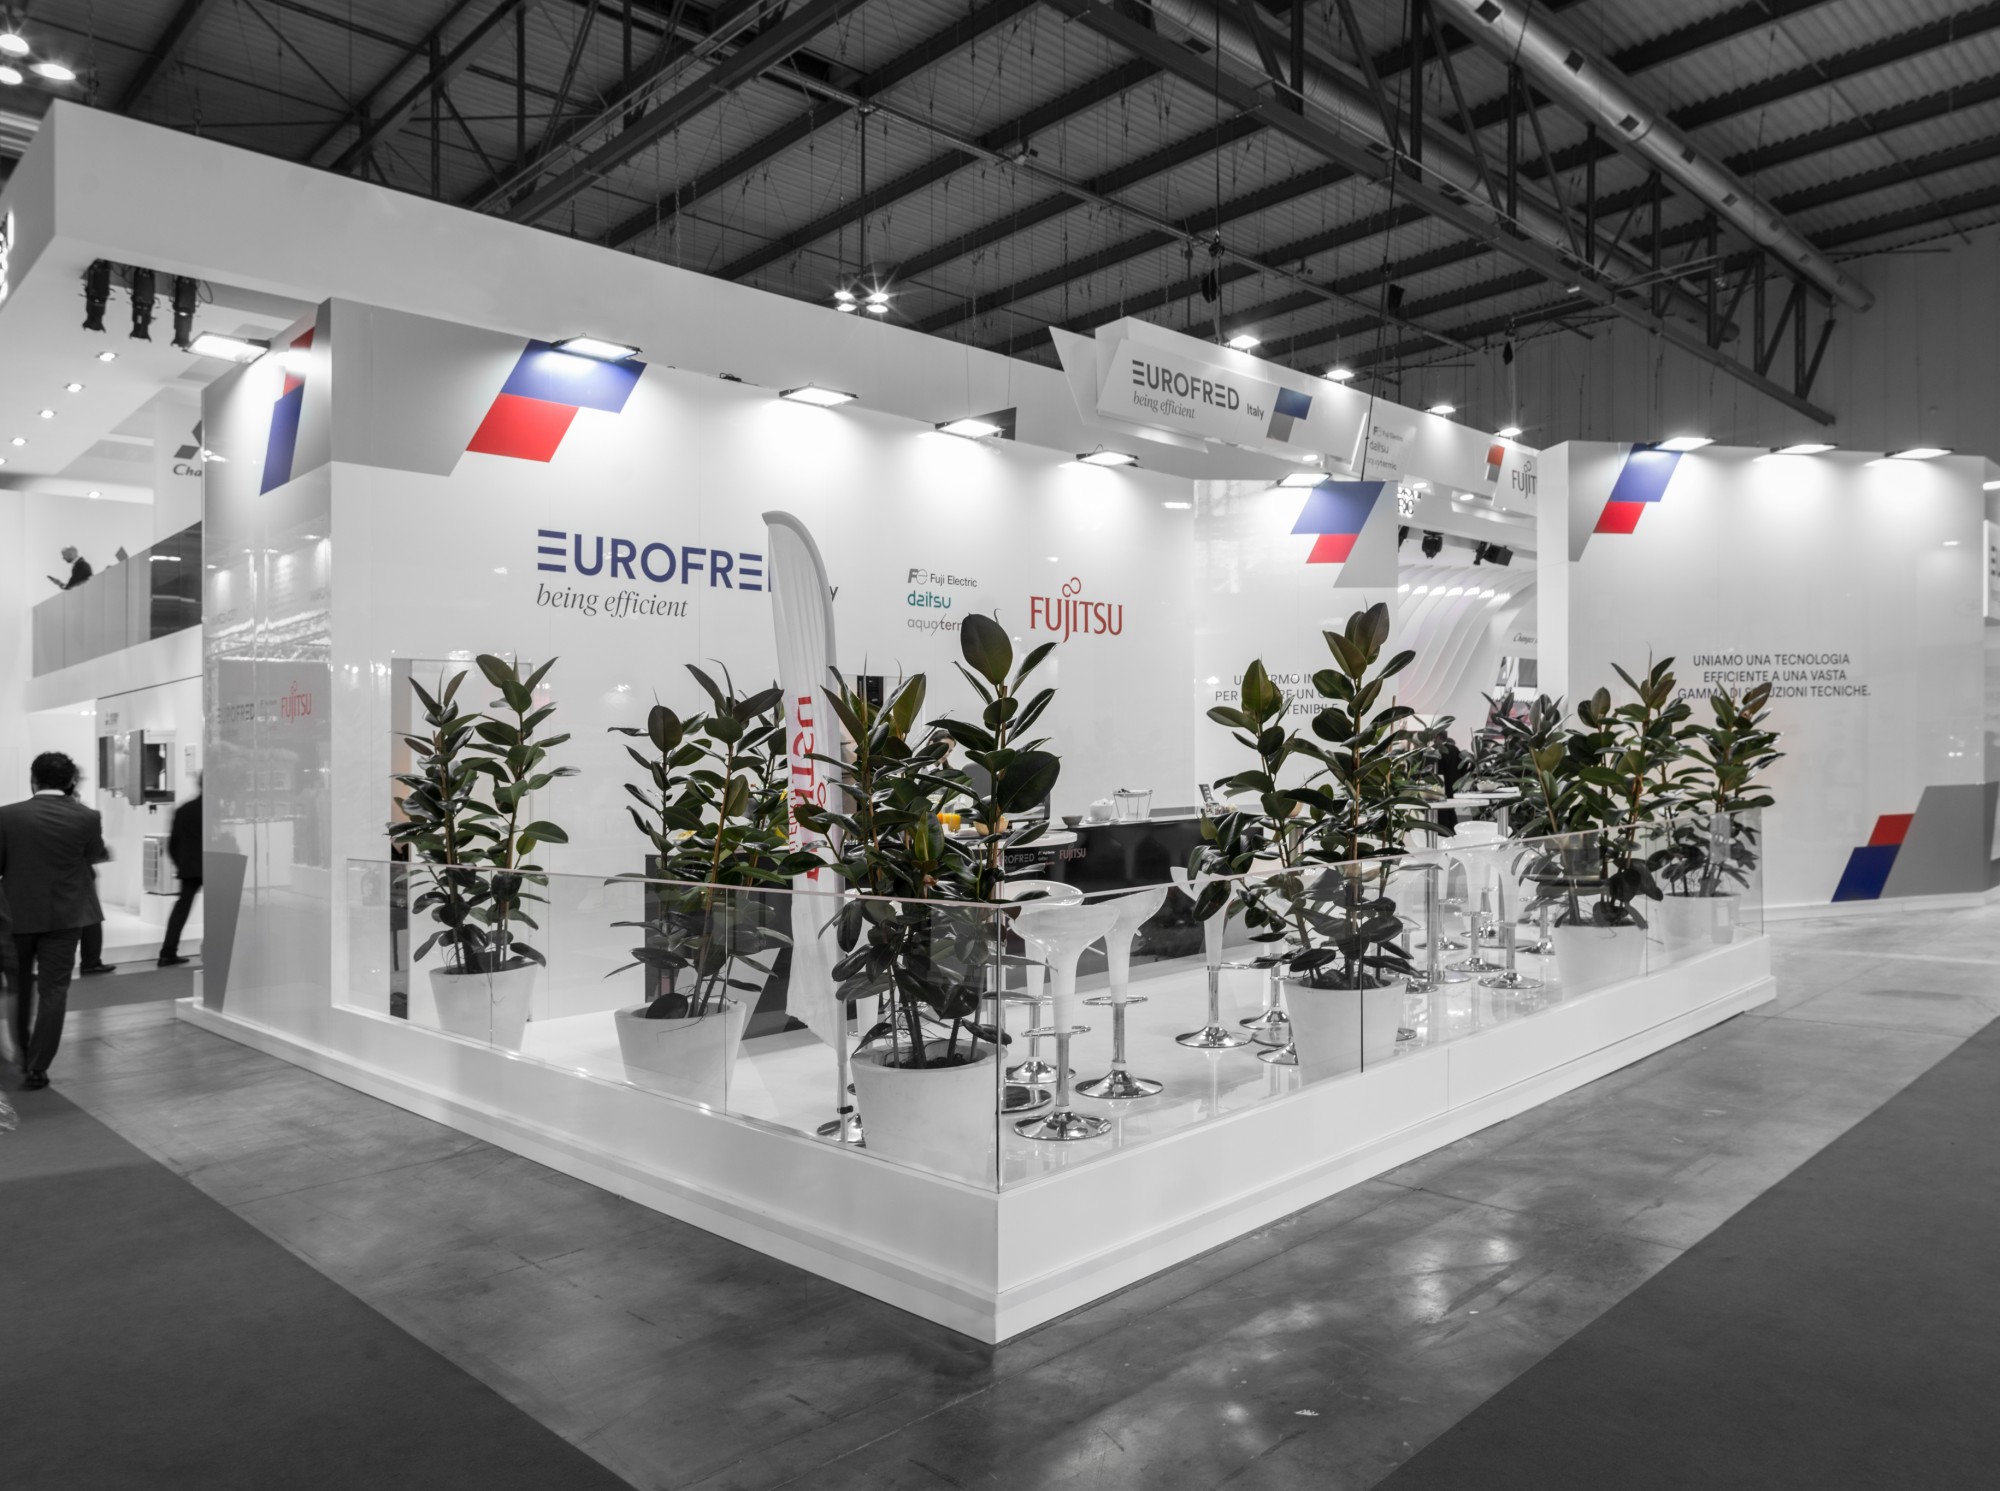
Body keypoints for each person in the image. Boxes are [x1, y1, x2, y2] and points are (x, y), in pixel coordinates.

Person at [0, 753, 110, 1090]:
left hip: (18, 916)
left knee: (19, 985)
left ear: (33, 779)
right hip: (66, 916)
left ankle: (22, 1052)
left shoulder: (7, 816)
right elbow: (95, 855)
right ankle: (39, 1066)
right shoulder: (87, 817)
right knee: (55, 990)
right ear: (71, 782)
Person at [159, 776, 202, 968]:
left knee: (181, 910)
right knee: (220, 910)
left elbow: (173, 843)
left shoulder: (184, 809)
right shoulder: (215, 809)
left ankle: (167, 953)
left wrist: (181, 864)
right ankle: (219, 951)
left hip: (189, 867)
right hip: (212, 864)